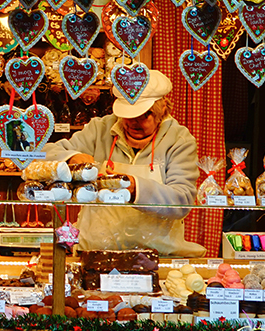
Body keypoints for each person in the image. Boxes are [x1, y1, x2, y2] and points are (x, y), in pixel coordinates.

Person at [43, 68, 205, 256]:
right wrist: (70, 158)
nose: (133, 122)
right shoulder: (100, 128)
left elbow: (182, 201)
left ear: (163, 109)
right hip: (95, 251)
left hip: (157, 255)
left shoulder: (179, 139)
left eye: (144, 115)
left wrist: (135, 187)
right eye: (128, 115)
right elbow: (47, 153)